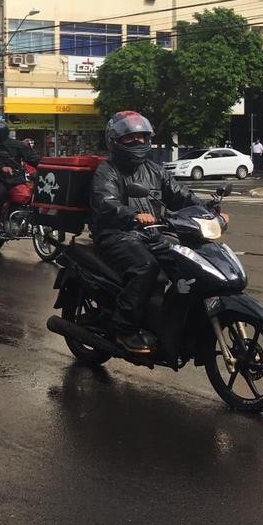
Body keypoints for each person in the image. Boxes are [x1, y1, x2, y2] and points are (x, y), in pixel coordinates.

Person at [89, 111, 229, 354]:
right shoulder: (107, 171)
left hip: (151, 232)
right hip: (116, 234)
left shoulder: (154, 170)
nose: (139, 143)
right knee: (145, 267)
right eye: (131, 139)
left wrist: (209, 211)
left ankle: (170, 320)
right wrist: (132, 215)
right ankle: (123, 328)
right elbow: (105, 203)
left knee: (187, 261)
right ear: (115, 142)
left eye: (142, 138)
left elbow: (180, 194)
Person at [0, 120, 41, 228]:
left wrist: (45, 165)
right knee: (0, 193)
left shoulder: (17, 145)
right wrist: (2, 167)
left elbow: (32, 158)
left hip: (16, 179)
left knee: (29, 193)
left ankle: (20, 217)